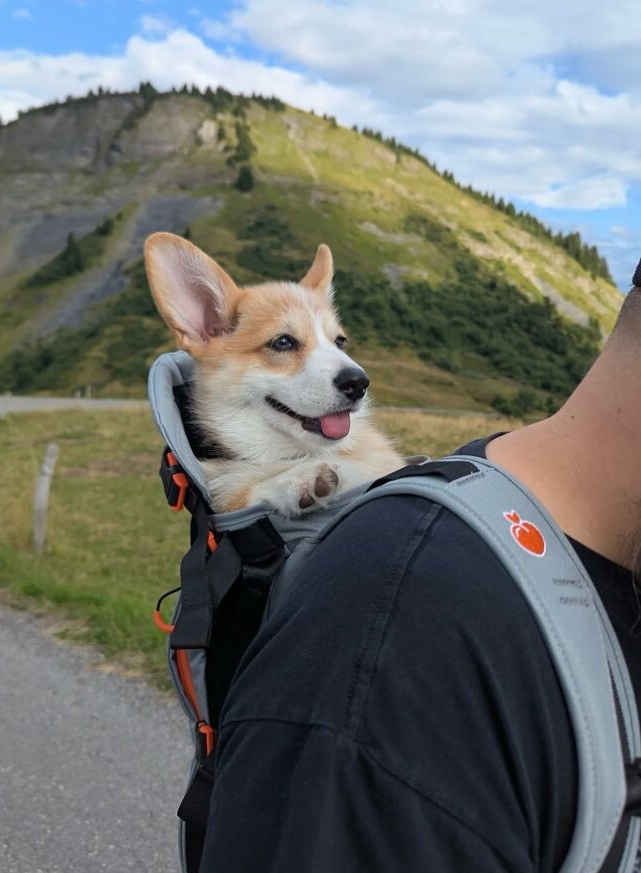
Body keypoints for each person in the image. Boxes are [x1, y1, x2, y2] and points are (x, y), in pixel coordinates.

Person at [198, 267, 641, 873]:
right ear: (207, 329)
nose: (344, 370)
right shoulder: (391, 611)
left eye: (336, 341)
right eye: (285, 344)